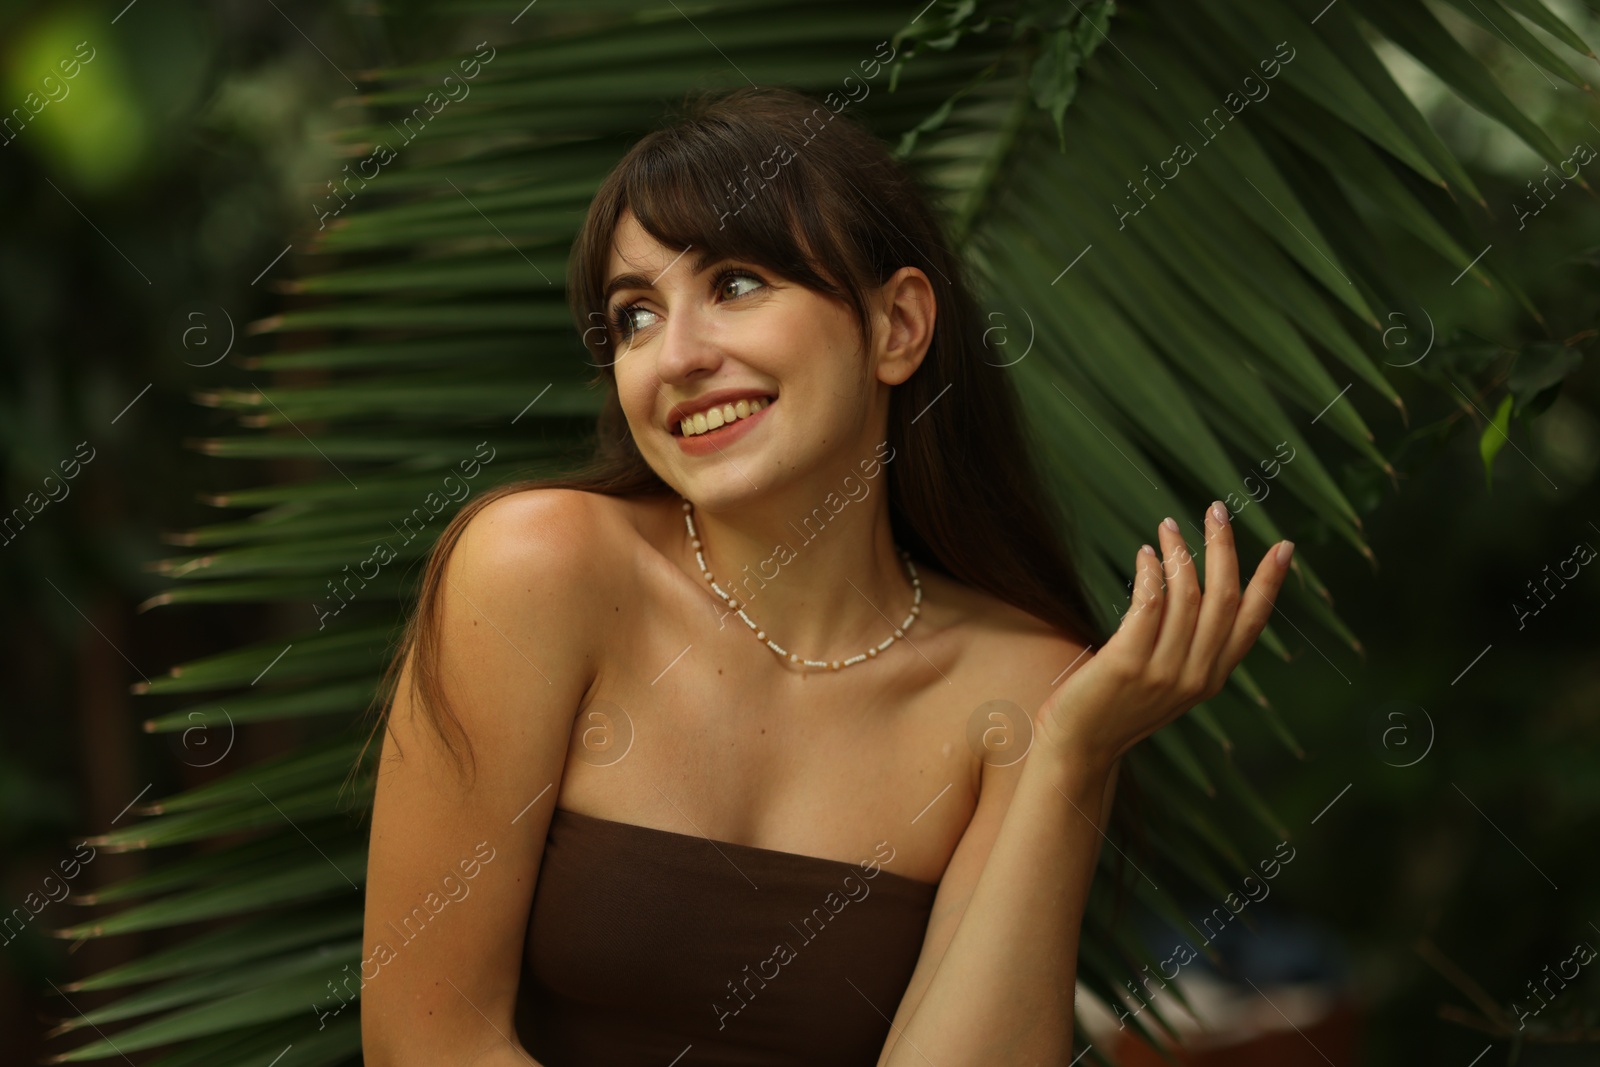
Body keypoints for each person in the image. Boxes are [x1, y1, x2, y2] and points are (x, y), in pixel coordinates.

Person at [357, 84, 1292, 1066]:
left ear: (897, 327)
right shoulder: (539, 568)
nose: (674, 356)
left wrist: (1068, 758)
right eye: (634, 315)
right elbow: (427, 1038)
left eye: (734, 284)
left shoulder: (1025, 692)